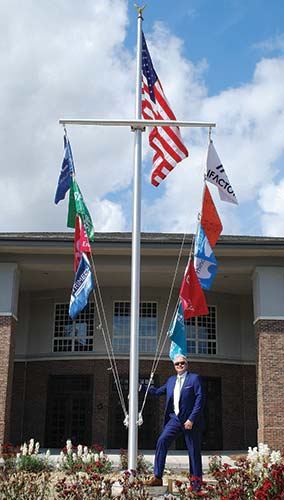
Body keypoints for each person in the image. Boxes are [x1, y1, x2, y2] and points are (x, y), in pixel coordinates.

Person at [142, 354, 205, 488]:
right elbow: (158, 391)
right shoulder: (171, 380)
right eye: (177, 364)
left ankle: (196, 485)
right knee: (162, 440)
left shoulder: (194, 379)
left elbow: (200, 400)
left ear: (186, 364)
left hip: (190, 421)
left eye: (182, 363)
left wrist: (191, 419)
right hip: (175, 419)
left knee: (193, 451)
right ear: (174, 366)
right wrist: (141, 388)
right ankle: (158, 477)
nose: (180, 365)